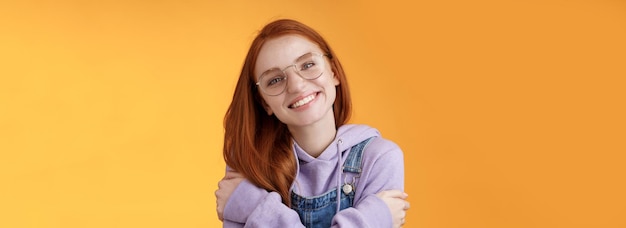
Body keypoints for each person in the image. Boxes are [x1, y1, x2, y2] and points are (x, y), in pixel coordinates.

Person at [215, 18, 409, 228]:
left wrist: (255, 208)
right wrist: (371, 220)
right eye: (275, 80)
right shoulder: (250, 161)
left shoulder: (379, 158)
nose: (297, 86)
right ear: (264, 102)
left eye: (307, 65)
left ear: (333, 73)